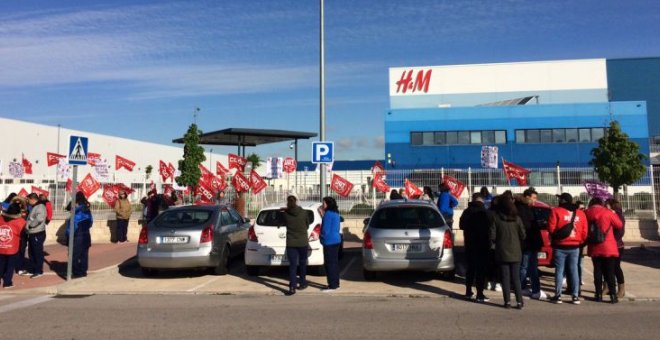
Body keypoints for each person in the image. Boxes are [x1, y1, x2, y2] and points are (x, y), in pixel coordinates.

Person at [547, 193, 588, 304]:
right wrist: (580, 241)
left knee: (559, 270)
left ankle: (558, 295)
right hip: (575, 246)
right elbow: (585, 232)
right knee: (574, 270)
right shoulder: (581, 213)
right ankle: (575, 295)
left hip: (560, 245)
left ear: (563, 201)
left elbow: (551, 228)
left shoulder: (556, 211)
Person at [490, 195, 526, 309]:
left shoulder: (496, 218)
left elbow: (492, 235)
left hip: (502, 251)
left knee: (505, 278)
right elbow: (523, 235)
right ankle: (519, 301)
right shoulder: (517, 219)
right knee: (516, 278)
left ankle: (507, 302)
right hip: (516, 251)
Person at [586, 197, 623, 303]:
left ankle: (598, 294)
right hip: (608, 246)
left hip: (594, 246)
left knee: (597, 271)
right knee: (610, 272)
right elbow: (619, 225)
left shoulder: (587, 213)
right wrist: (613, 213)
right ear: (601, 203)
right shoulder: (607, 212)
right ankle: (613, 296)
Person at [459, 192, 492, 302]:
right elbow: (491, 228)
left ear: (473, 200)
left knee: (470, 269)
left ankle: (468, 292)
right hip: (482, 245)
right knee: (480, 270)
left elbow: (461, 225)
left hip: (470, 244)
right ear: (482, 200)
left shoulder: (466, 212)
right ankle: (480, 294)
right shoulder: (485, 213)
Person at [515, 188, 546, 300]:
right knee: (527, 266)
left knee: (529, 266)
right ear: (527, 197)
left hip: (530, 243)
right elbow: (527, 228)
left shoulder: (526, 208)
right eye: (534, 198)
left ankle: (528, 288)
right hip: (528, 243)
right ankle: (528, 288)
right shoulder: (523, 209)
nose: (535, 200)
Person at [282, 193, 310, 296]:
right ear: (296, 202)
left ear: (287, 203)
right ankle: (302, 283)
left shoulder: (285, 214)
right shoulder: (303, 212)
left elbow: (283, 221)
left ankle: (292, 287)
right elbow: (307, 225)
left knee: (292, 266)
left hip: (291, 243)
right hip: (302, 241)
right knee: (303, 263)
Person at [66, 192, 94, 278]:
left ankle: (77, 273)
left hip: (78, 236)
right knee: (84, 255)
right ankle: (83, 271)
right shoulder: (87, 210)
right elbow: (91, 222)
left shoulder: (77, 213)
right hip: (86, 235)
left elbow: (72, 227)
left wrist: (68, 236)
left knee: (73, 255)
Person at [0, 203, 26, 288]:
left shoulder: (1, 218)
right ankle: (7, 283)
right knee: (10, 266)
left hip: (1, 246)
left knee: (1, 264)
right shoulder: (20, 221)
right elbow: (23, 233)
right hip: (12, 247)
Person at [319, 196, 341, 292]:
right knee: (334, 263)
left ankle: (332, 285)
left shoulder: (328, 214)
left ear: (327, 204)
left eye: (324, 203)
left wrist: (321, 238)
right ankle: (336, 283)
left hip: (329, 241)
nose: (322, 205)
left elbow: (325, 230)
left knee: (329, 264)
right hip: (336, 240)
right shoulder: (336, 213)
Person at [606, 198, 626, 298]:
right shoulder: (609, 214)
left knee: (616, 267)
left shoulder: (618, 215)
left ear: (612, 205)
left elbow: (620, 232)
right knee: (607, 267)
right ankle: (608, 286)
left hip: (617, 245)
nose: (605, 206)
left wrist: (612, 239)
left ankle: (621, 289)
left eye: (607, 205)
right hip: (608, 245)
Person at [25, 193, 47, 278]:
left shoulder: (40, 207)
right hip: (32, 233)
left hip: (37, 233)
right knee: (32, 252)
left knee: (37, 253)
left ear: (32, 199)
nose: (28, 202)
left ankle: (38, 271)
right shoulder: (35, 207)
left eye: (28, 200)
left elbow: (39, 219)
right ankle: (33, 269)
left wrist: (31, 225)